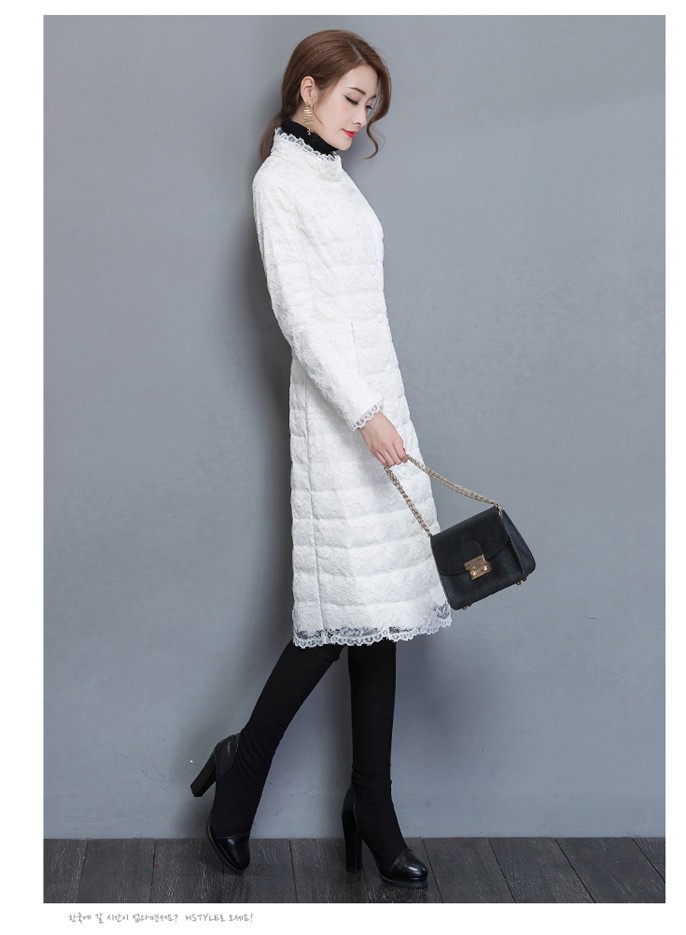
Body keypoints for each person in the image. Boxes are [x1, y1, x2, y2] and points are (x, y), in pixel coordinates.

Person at [191, 29, 452, 891]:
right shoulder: (279, 181)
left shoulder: (332, 176)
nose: (362, 117)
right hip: (343, 414)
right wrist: (364, 412)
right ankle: (245, 769)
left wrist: (386, 409)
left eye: (370, 106)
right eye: (352, 98)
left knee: (383, 609)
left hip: (382, 403)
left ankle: (369, 804)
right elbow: (298, 315)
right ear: (308, 88)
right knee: (345, 603)